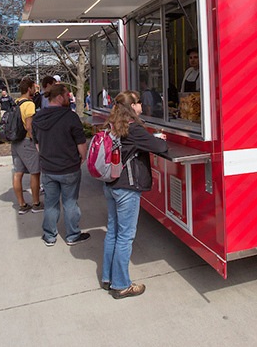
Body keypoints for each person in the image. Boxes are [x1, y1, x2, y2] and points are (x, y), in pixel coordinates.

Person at [100, 91, 167, 299]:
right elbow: (160, 146)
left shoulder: (111, 125)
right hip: (126, 188)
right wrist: (160, 138)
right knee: (125, 237)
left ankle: (108, 278)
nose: (141, 105)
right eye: (138, 103)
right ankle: (121, 285)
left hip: (110, 184)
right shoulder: (134, 127)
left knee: (113, 231)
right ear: (132, 107)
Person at [32, 84, 89, 247]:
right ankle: (72, 235)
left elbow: (37, 144)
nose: (69, 97)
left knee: (51, 202)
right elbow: (81, 143)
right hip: (69, 167)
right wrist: (82, 158)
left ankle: (49, 236)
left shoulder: (38, 118)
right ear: (59, 97)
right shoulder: (70, 117)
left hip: (48, 169)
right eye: (67, 95)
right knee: (70, 202)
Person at [11, 78, 42, 214]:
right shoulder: (29, 104)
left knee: (18, 173)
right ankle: (36, 203)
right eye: (33, 87)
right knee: (35, 172)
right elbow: (29, 126)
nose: (35, 90)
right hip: (26, 141)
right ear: (29, 88)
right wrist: (36, 141)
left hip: (15, 141)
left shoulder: (16, 102)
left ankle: (22, 205)